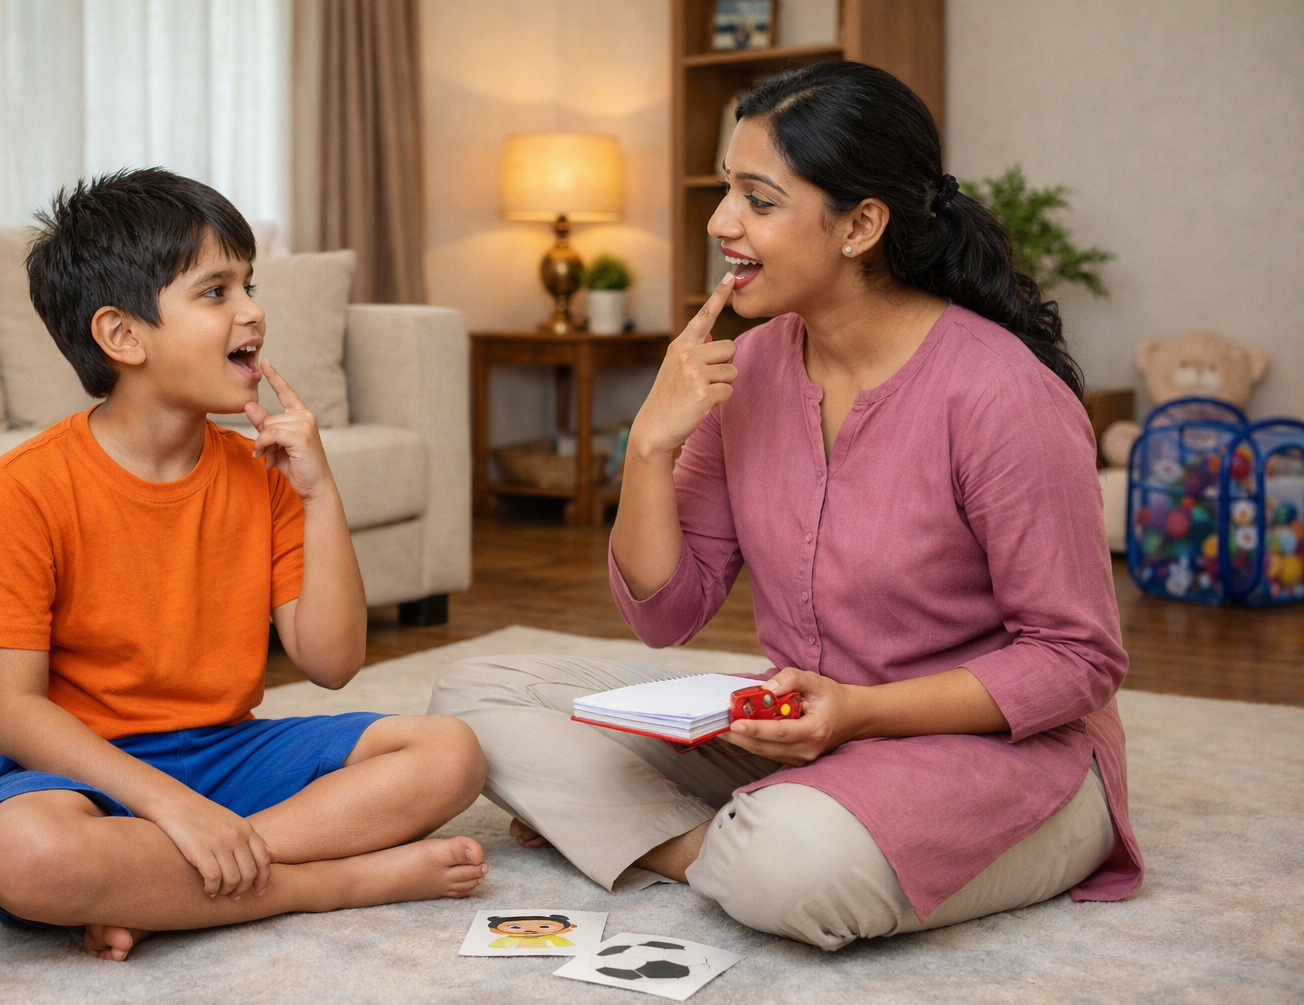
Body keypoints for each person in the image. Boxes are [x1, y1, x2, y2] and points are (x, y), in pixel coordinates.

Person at [430, 61, 1143, 950]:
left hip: (994, 756)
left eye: (758, 199)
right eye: (728, 189)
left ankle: (697, 843)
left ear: (861, 225)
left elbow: (1075, 661)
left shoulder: (1003, 394)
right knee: (474, 695)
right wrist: (650, 442)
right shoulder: (755, 365)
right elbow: (668, 613)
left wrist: (859, 713)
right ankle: (740, 833)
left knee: (789, 865)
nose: (720, 222)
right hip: (799, 728)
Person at [0, 169, 488, 962]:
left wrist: (318, 492)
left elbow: (333, 663)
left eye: (250, 283)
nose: (252, 311)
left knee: (452, 754)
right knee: (28, 855)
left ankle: (167, 889)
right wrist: (166, 803)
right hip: (70, 768)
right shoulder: (25, 487)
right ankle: (330, 883)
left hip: (223, 753)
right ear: (122, 337)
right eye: (215, 292)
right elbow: (12, 713)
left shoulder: (261, 475)